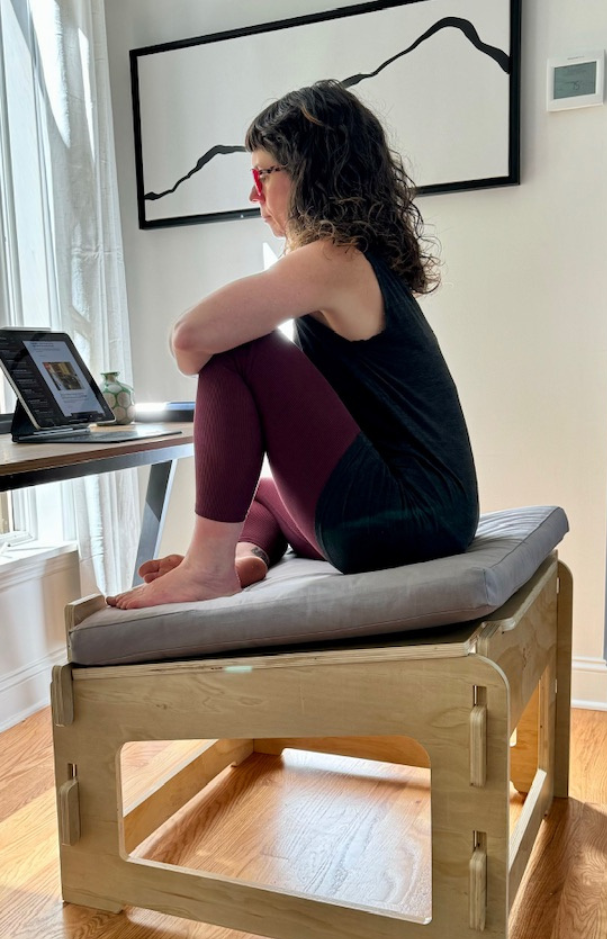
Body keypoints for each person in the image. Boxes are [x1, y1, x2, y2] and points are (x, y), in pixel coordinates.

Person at [107, 80, 478, 610]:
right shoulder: (358, 261)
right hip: (432, 516)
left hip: (406, 520)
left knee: (238, 352)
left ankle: (207, 568)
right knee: (256, 494)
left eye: (262, 173)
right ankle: (246, 557)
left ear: (310, 172)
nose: (253, 194)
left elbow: (189, 340)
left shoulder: (332, 257)